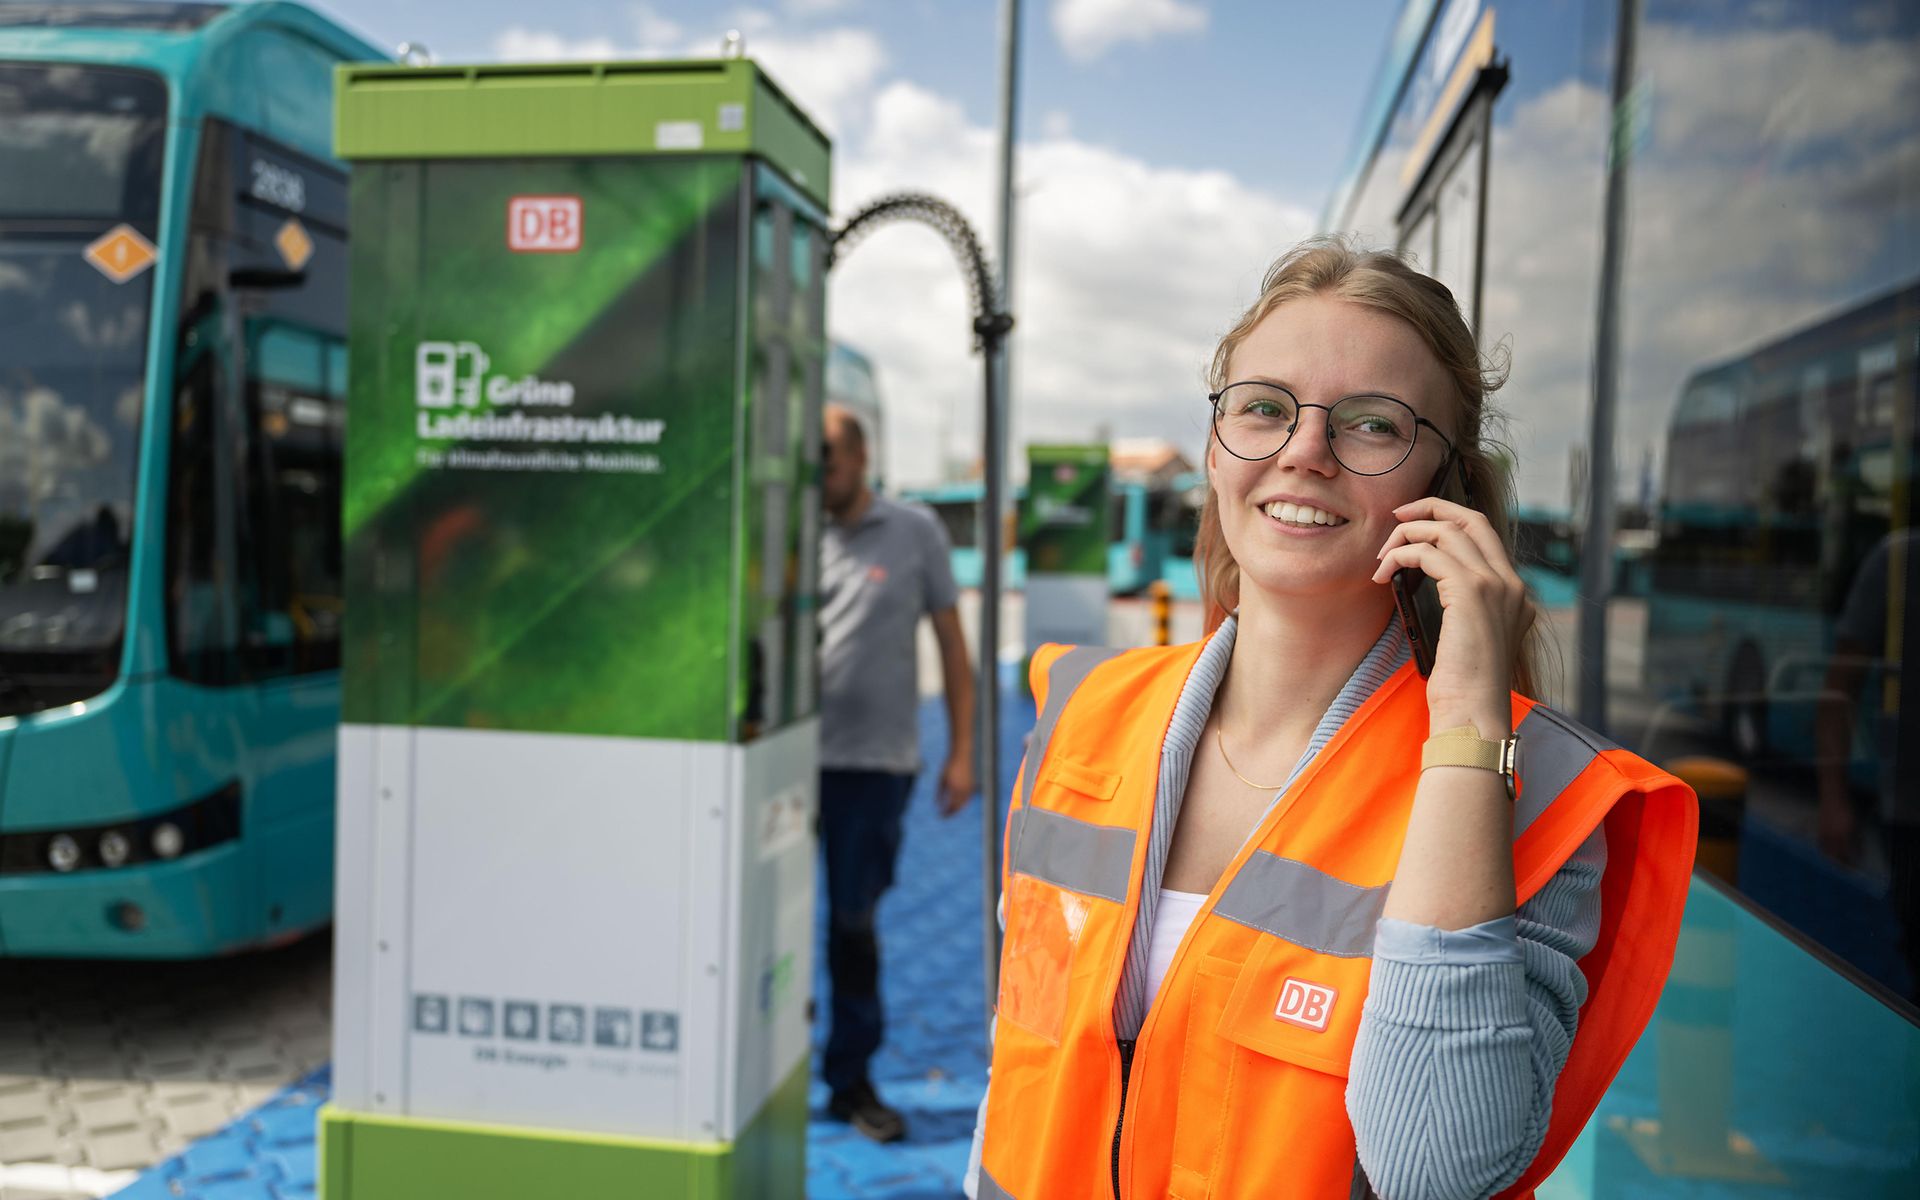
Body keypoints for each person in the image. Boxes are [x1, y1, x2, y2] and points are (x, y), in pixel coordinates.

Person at [966, 239, 1697, 1199]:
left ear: (1446, 490)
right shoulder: (1085, 711)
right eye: (1265, 407)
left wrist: (1467, 727)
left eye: (1371, 424)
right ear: (1218, 446)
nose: (1304, 451)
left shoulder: (1536, 791)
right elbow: (1018, 1067)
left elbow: (1434, 1169)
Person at [817, 402, 977, 1142]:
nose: (817, 470)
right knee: (765, 926)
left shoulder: (914, 531)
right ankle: (765, 1073)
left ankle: (850, 1080)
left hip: (874, 767)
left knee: (854, 926)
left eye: (827, 454)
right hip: (781, 765)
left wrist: (963, 751)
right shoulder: (785, 527)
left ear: (861, 456)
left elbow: (952, 643)